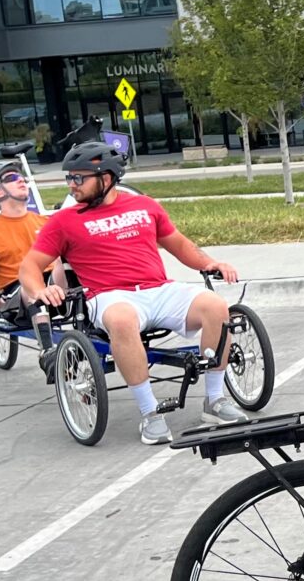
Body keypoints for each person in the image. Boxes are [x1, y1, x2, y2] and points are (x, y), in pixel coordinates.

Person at [18, 141, 245, 444]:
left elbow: (180, 244)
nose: (71, 184)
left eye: (79, 177)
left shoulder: (145, 206)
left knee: (216, 306)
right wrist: (40, 291)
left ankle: (214, 400)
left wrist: (210, 263)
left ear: (106, 177)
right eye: (69, 177)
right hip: (109, 295)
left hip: (159, 288)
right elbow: (29, 267)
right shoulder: (63, 221)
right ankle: (150, 413)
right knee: (122, 319)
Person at [0, 165, 58, 345]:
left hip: (53, 283)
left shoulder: (46, 222)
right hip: (16, 292)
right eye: (11, 178)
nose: (21, 180)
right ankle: (48, 351)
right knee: (31, 288)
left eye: (21, 177)